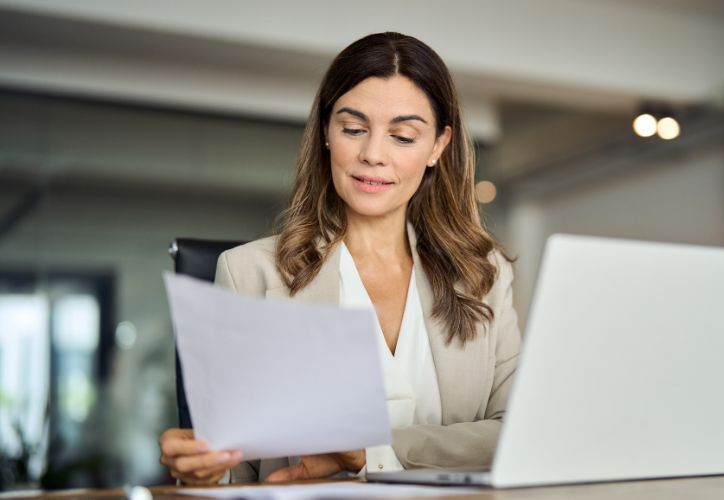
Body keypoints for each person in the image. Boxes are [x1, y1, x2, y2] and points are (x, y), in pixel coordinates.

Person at [158, 31, 521, 485]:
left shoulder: (484, 275)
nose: (373, 155)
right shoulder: (249, 271)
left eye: (403, 136)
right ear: (327, 133)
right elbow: (235, 472)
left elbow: (515, 437)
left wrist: (370, 451)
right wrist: (200, 474)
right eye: (353, 129)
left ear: (438, 147)